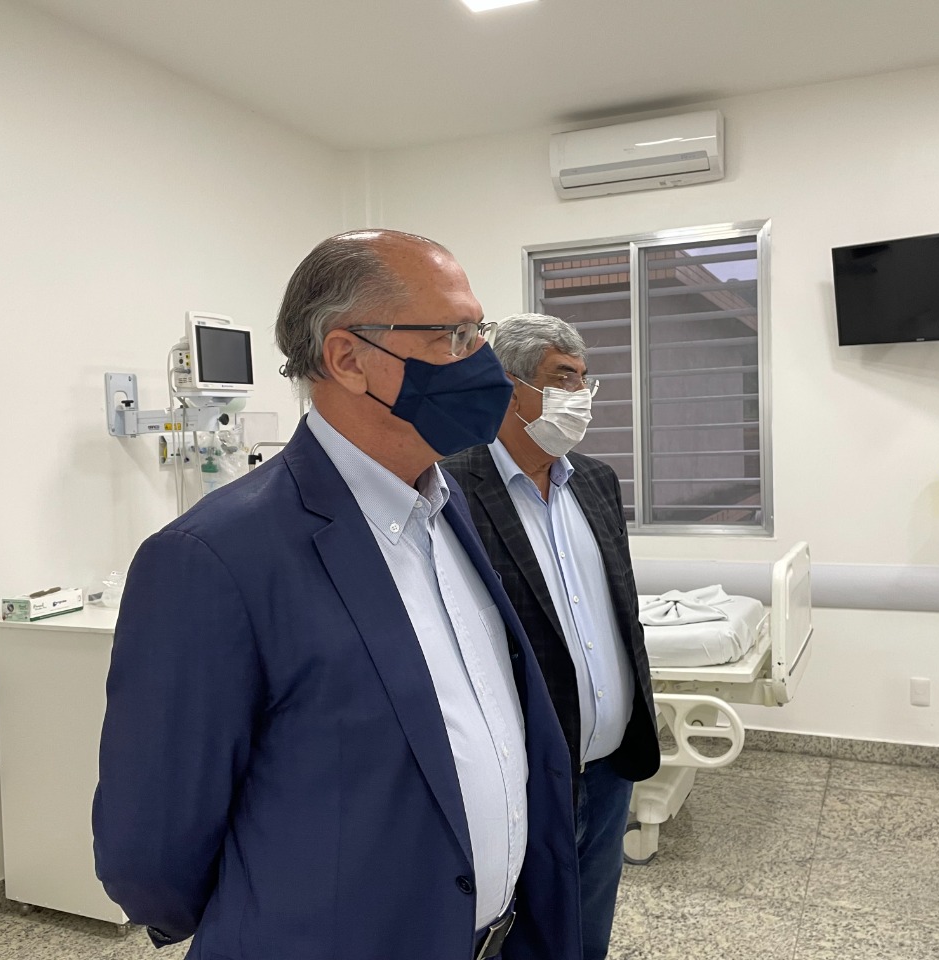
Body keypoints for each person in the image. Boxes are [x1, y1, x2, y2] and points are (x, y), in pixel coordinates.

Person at [92, 232, 580, 960]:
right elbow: (150, 851)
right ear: (349, 358)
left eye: (479, 330)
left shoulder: (450, 508)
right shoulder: (214, 560)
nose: (484, 361)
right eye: (453, 335)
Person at [441, 313, 659, 960]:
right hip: (529, 774)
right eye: (563, 379)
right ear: (509, 387)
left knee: (588, 933)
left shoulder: (595, 481)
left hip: (612, 768)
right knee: (526, 937)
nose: (580, 397)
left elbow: (620, 614)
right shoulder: (452, 489)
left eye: (585, 380)